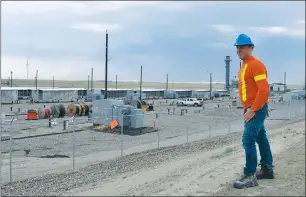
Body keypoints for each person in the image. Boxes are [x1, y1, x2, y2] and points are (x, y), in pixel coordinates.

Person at [232, 34, 275, 189]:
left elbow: (264, 90)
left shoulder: (255, 64)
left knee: (248, 140)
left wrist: (253, 109)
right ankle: (267, 169)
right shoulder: (244, 65)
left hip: (255, 108)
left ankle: (250, 175)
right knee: (260, 138)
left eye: (242, 47)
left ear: (251, 47)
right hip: (251, 108)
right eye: (237, 47)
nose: (239, 49)